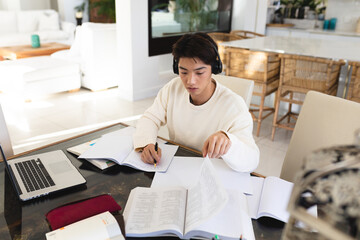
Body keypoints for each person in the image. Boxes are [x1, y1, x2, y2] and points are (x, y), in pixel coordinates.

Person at [133, 32, 259, 172]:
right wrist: (146, 144)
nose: (190, 81)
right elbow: (150, 118)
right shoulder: (173, 88)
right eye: (184, 72)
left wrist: (229, 142)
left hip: (211, 175)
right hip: (177, 168)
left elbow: (252, 160)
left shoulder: (233, 105)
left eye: (199, 73)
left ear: (214, 68)